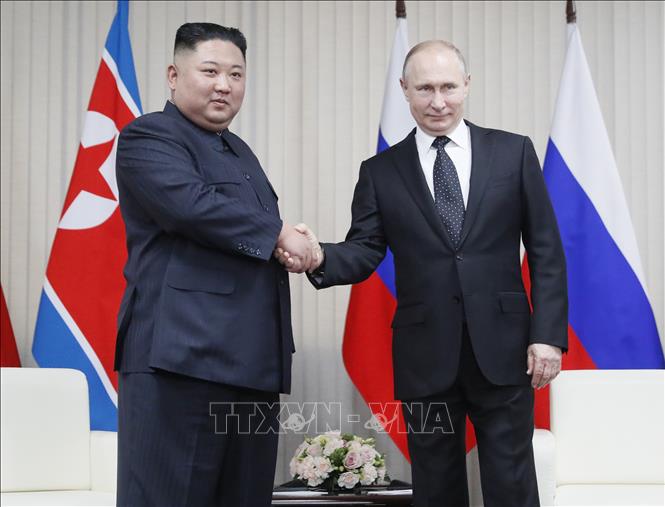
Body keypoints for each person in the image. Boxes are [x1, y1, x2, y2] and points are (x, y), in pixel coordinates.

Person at [276, 40, 568, 507]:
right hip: (425, 354)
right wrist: (317, 257)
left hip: (506, 349)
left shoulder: (512, 152)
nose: (438, 101)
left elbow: (546, 249)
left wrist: (547, 336)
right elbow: (365, 250)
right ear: (405, 90)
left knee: (511, 480)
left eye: (448, 87)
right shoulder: (380, 172)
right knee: (436, 485)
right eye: (425, 88)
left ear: (466, 86)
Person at [114, 22, 314, 507]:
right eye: (210, 71)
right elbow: (191, 206)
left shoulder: (240, 151)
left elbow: (242, 236)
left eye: (236, 74)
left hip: (253, 365)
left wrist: (289, 246)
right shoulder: (149, 135)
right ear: (174, 75)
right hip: (179, 362)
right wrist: (279, 234)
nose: (224, 85)